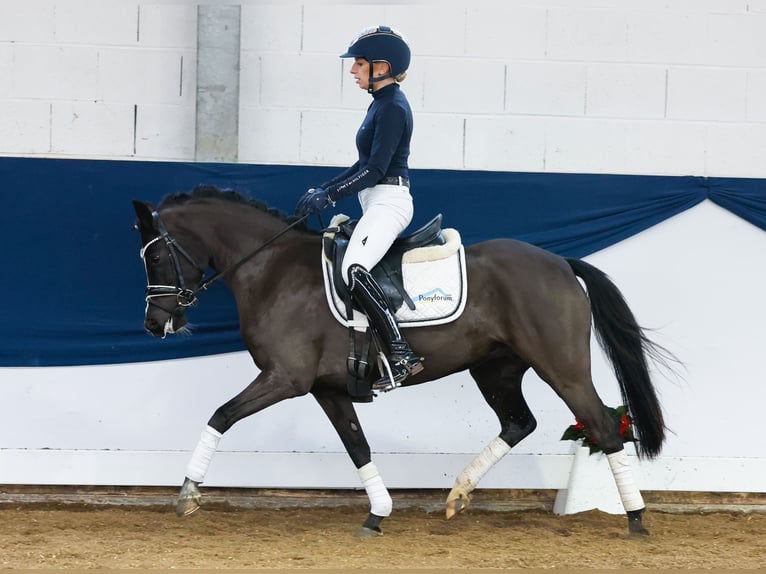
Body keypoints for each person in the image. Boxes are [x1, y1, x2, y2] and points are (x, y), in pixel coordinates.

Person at [296, 25, 423, 391]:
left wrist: (332, 197)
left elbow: (375, 170)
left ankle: (400, 353)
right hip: (376, 199)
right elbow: (361, 165)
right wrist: (325, 188)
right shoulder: (380, 104)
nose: (353, 70)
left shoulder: (394, 107)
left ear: (381, 67)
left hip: (390, 200)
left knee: (354, 267)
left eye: (359, 64)